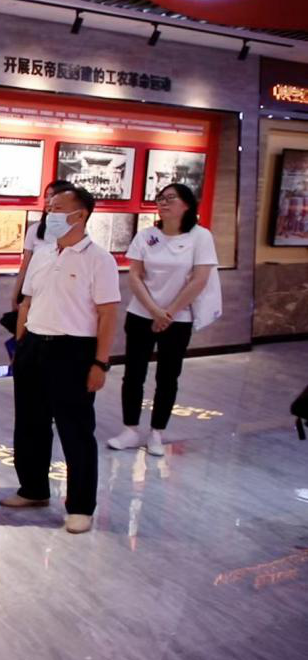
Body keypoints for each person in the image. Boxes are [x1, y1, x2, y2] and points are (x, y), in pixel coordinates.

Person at [2, 186, 119, 535]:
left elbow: (108, 314)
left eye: (57, 208)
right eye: (49, 207)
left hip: (73, 350)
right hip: (33, 345)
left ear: (79, 215)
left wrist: (100, 363)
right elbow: (27, 302)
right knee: (30, 423)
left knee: (75, 430)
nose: (49, 214)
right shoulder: (42, 253)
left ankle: (81, 505)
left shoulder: (99, 259)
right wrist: (20, 344)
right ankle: (33, 488)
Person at [109, 183, 218, 456]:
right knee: (134, 374)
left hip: (178, 319)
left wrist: (168, 312)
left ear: (187, 205)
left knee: (168, 376)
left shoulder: (200, 237)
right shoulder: (146, 236)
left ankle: (157, 432)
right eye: (160, 198)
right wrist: (155, 311)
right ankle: (130, 429)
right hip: (141, 314)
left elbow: (200, 280)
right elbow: (135, 276)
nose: (163, 203)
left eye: (171, 198)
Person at [10, 180, 74, 310]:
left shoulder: (74, 233)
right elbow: (25, 266)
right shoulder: (34, 230)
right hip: (35, 292)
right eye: (46, 196)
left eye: (52, 195)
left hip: (64, 296)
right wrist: (15, 294)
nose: (47, 200)